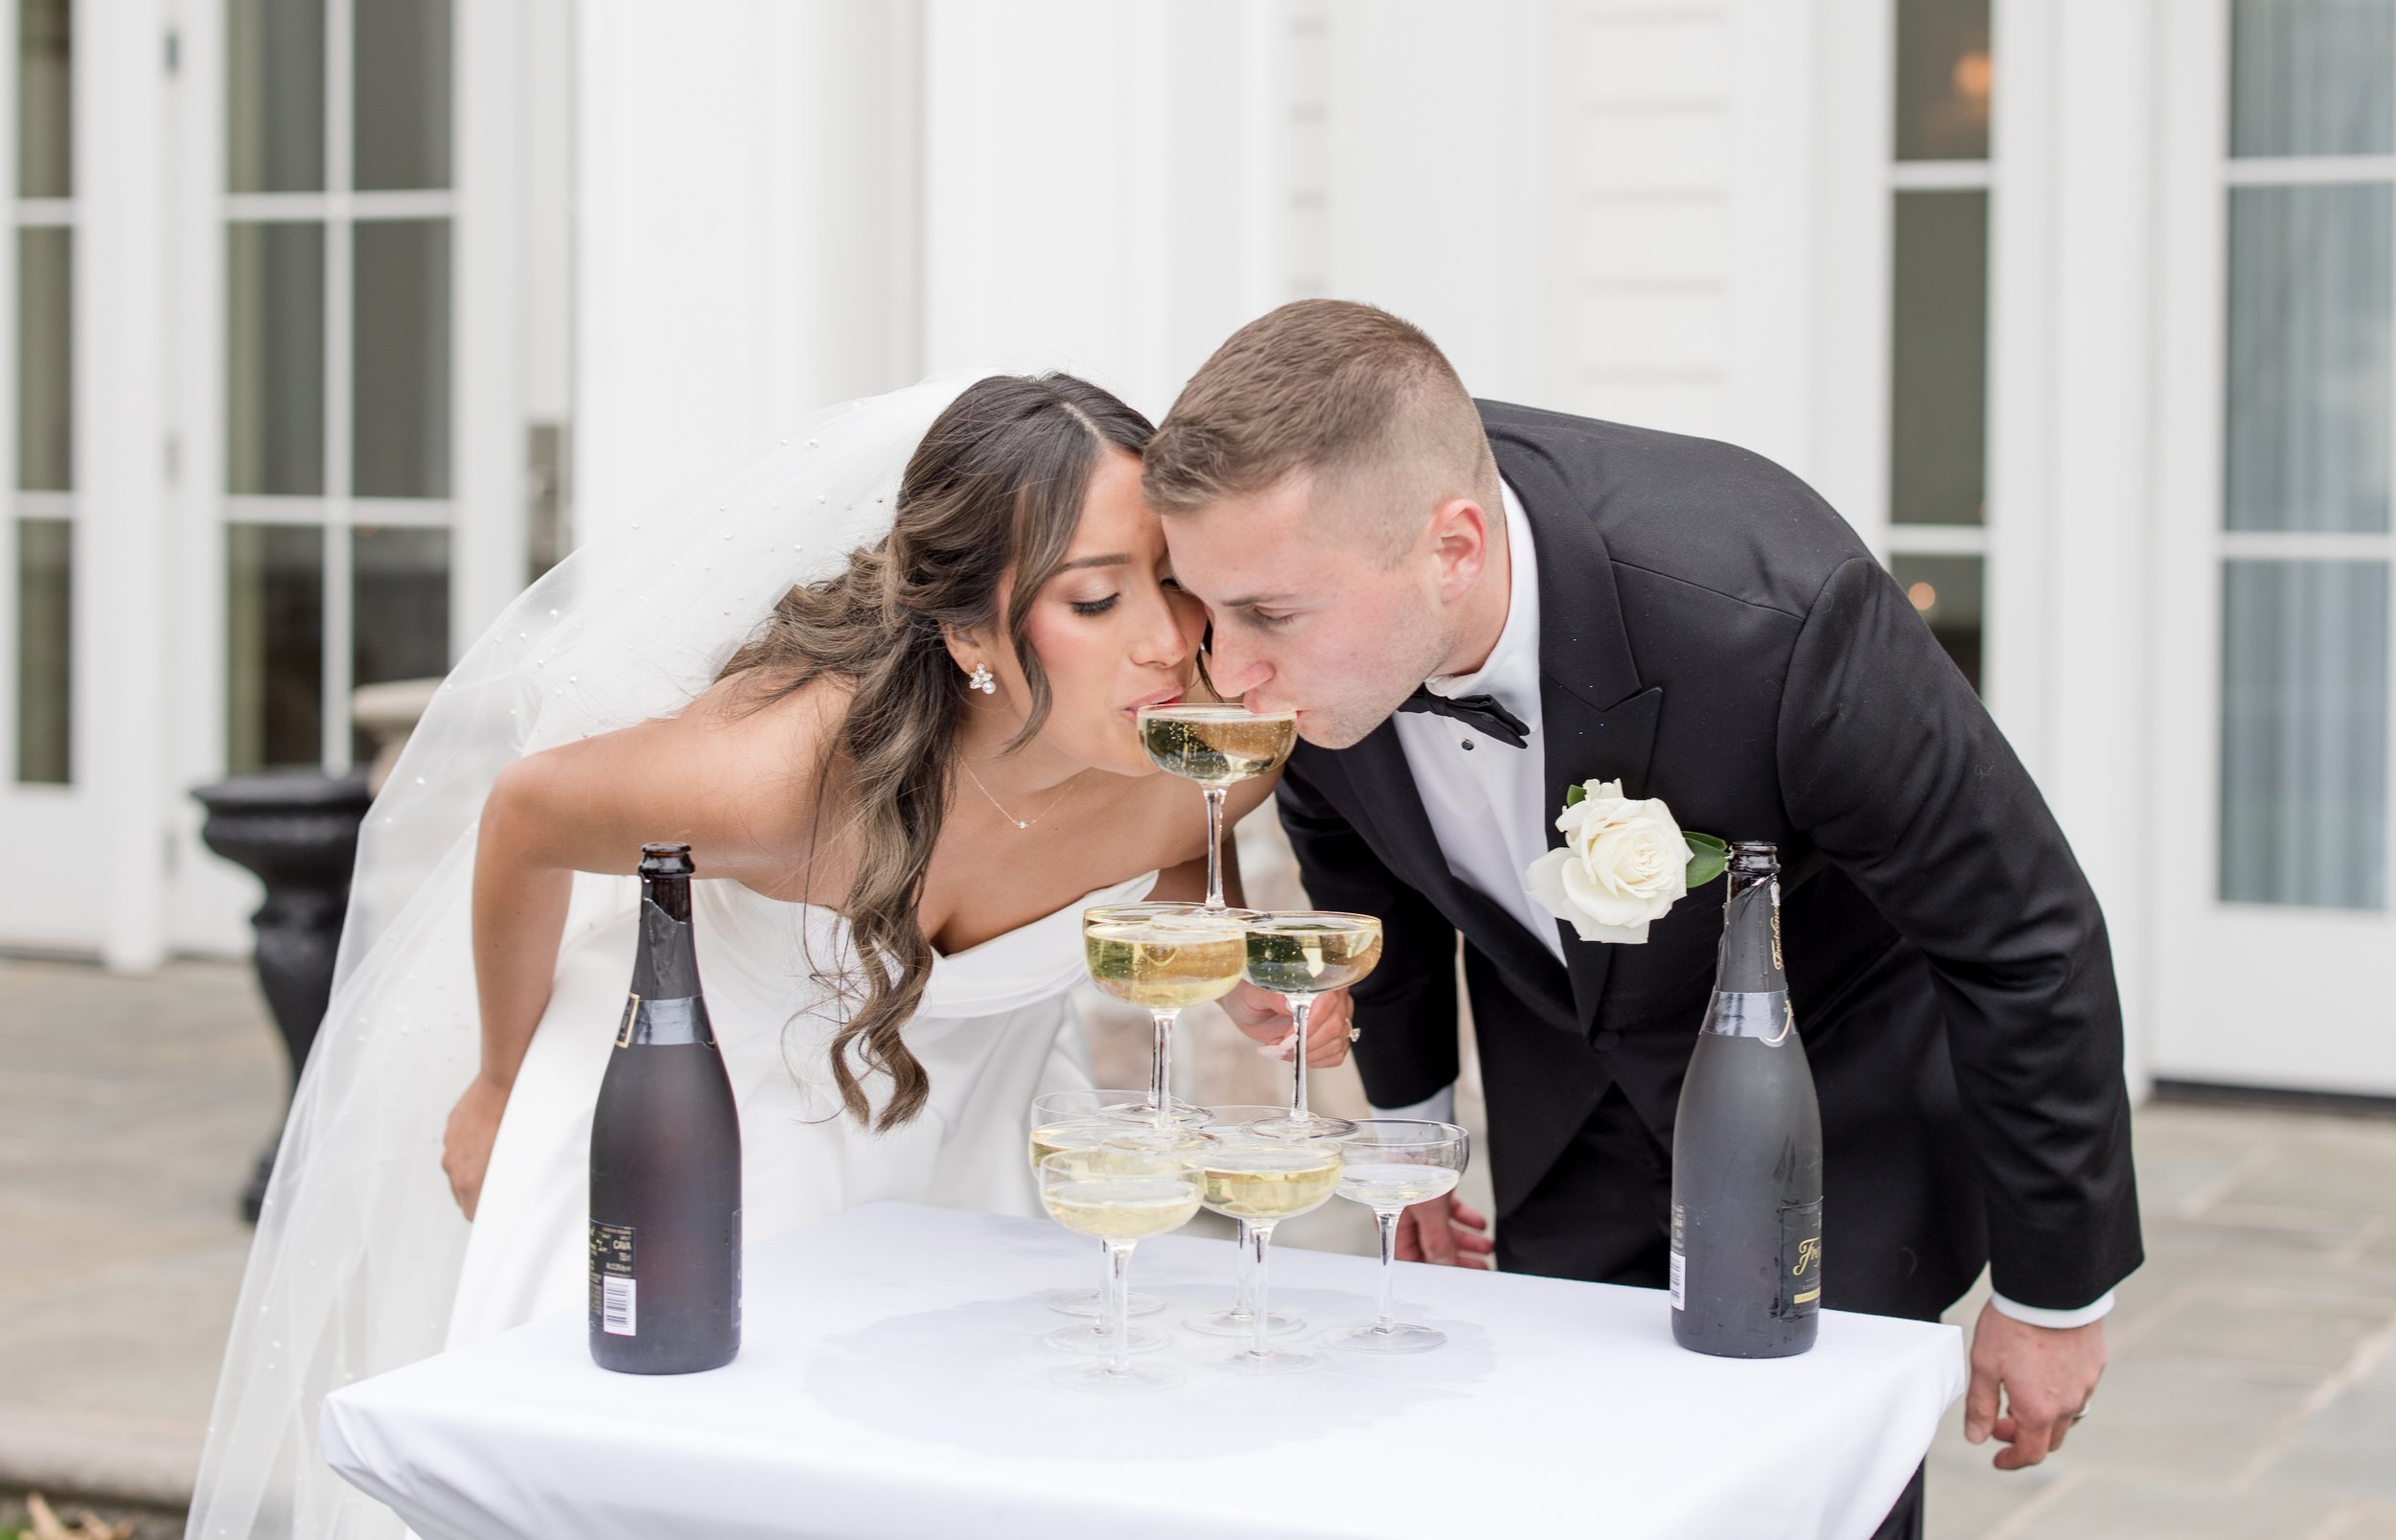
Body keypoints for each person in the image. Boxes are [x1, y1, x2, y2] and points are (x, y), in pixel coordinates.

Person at [188, 373, 1349, 1540]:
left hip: (978, 1153)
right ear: (968, 634)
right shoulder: (774, 781)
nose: (1167, 639)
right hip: (700, 1137)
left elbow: (1189, 853)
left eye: (1172, 578)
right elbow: (527, 818)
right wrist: (498, 1083)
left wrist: (1233, 952)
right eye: (1097, 600)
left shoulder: (1220, 744)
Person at [1144, 300, 2141, 1540]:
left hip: (1827, 1111)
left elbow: (2023, 931)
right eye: (1204, 607)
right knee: (1558, 1488)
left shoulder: (1770, 612)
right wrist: (1412, 1146)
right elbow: (1370, 870)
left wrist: (2055, 1296)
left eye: (1268, 617)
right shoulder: (1316, 638)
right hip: (1568, 1097)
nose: (1227, 672)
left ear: (1452, 547)